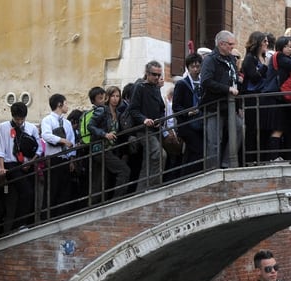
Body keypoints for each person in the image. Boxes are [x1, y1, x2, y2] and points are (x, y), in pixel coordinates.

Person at [0, 102, 43, 232]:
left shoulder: (31, 128)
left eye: (22, 119)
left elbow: (38, 148)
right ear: (13, 116)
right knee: (26, 191)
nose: (20, 122)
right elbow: (0, 149)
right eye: (17, 119)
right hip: (11, 164)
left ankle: (28, 223)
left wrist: (31, 162)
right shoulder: (3, 128)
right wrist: (1, 167)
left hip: (28, 164)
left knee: (30, 194)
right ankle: (18, 225)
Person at [199, 30, 244, 169]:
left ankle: (227, 162)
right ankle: (212, 171)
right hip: (214, 106)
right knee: (214, 141)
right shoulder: (210, 60)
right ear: (221, 44)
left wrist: (238, 106)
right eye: (230, 44)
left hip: (229, 106)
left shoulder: (231, 59)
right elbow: (206, 81)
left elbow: (233, 79)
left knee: (239, 128)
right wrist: (227, 89)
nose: (232, 47)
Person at [87, 85, 131, 200]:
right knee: (124, 170)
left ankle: (101, 203)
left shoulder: (119, 114)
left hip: (110, 150)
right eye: (113, 96)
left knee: (102, 180)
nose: (115, 99)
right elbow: (90, 126)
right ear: (108, 97)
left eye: (117, 96)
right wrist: (105, 134)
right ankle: (117, 200)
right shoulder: (102, 110)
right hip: (99, 148)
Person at [129, 60, 166, 191]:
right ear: (147, 74)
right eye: (154, 74)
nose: (157, 77)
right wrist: (144, 120)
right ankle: (154, 186)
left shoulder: (156, 89)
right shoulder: (140, 87)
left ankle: (142, 190)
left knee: (149, 160)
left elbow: (161, 108)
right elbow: (133, 109)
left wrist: (160, 120)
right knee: (159, 153)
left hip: (154, 129)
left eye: (158, 75)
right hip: (143, 130)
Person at [41, 93, 77, 216]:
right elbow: (46, 135)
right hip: (53, 158)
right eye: (66, 103)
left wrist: (72, 158)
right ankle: (47, 217)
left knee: (65, 190)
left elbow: (72, 141)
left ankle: (61, 215)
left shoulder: (66, 123)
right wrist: (61, 140)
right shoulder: (47, 120)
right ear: (59, 104)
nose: (67, 106)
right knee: (52, 189)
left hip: (65, 159)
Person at [173, 53, 204, 175]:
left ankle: (184, 176)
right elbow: (176, 106)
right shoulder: (181, 84)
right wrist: (188, 112)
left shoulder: (202, 83)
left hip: (200, 122)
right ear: (188, 68)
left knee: (191, 153)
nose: (196, 69)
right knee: (198, 150)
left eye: (198, 66)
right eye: (193, 66)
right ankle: (189, 176)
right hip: (186, 124)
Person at [241, 31, 270, 159]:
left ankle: (263, 157)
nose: (267, 44)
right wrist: (264, 67)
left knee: (264, 128)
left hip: (263, 97)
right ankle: (250, 158)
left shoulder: (265, 57)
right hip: (252, 97)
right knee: (252, 129)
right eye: (264, 41)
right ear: (257, 43)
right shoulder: (249, 59)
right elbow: (254, 77)